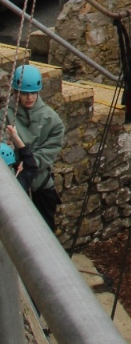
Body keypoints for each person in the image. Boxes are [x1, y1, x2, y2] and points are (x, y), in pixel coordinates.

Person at [4, 63, 64, 231]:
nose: (29, 97)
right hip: (14, 185)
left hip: (41, 185)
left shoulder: (52, 120)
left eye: (33, 93)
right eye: (24, 93)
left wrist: (31, 162)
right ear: (16, 92)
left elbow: (50, 150)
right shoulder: (5, 115)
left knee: (46, 231)